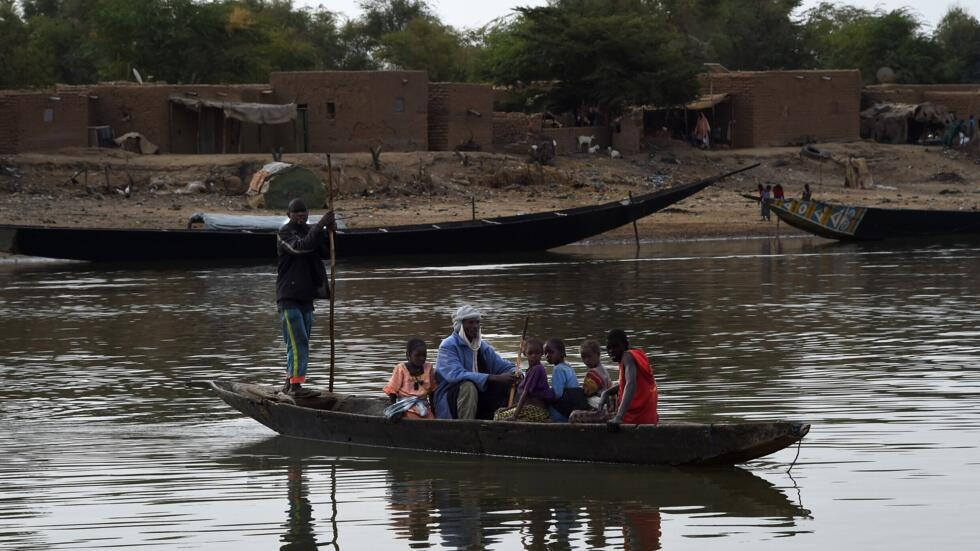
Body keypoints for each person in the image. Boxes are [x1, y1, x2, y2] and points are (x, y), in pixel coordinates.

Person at [276, 198, 335, 398]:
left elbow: (326, 252)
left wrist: (330, 232)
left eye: (304, 211)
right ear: (289, 214)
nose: (301, 214)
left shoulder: (311, 231)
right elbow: (300, 247)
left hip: (306, 299)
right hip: (289, 298)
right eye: (296, 211)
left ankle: (289, 382)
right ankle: (295, 386)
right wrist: (320, 227)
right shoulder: (285, 233)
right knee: (297, 342)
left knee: (302, 342)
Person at [432, 305, 518, 420]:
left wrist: (516, 373)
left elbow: (502, 366)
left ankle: (505, 421)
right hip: (451, 395)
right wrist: (493, 377)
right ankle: (467, 427)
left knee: (510, 383)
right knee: (468, 386)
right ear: (461, 325)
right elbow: (456, 375)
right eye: (470, 323)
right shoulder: (448, 346)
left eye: (477, 323)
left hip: (481, 395)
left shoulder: (482, 346)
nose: (475, 326)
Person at [598, 329, 659, 431]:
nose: (611, 351)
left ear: (625, 345)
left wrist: (618, 417)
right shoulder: (638, 355)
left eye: (616, 346)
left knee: (575, 416)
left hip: (633, 419)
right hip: (649, 418)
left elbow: (631, 384)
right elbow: (627, 384)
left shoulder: (627, 356)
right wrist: (607, 392)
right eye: (609, 348)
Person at [494, 339, 552, 422]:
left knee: (498, 417)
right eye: (530, 353)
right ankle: (523, 419)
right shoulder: (530, 370)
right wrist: (507, 408)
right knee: (499, 412)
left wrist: (514, 416)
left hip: (537, 411)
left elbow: (525, 394)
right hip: (530, 408)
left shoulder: (537, 369)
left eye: (537, 353)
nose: (534, 356)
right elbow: (526, 400)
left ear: (542, 354)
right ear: (525, 354)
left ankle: (524, 420)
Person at [383, 338, 437, 419]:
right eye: (417, 355)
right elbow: (392, 391)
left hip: (423, 405)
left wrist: (433, 409)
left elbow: (432, 391)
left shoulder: (428, 368)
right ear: (408, 355)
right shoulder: (401, 369)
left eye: (424, 355)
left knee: (432, 419)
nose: (422, 358)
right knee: (414, 420)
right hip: (406, 406)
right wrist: (394, 410)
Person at [544, 338, 585, 421]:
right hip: (573, 406)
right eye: (545, 353)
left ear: (562, 353)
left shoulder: (558, 369)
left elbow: (557, 394)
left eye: (551, 352)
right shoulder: (568, 366)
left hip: (561, 412)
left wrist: (544, 394)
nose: (547, 355)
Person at [580, 339, 612, 408]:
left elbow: (586, 393)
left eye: (589, 356)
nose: (586, 360)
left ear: (598, 354)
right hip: (606, 402)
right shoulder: (603, 369)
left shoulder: (592, 373)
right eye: (583, 357)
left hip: (600, 404)